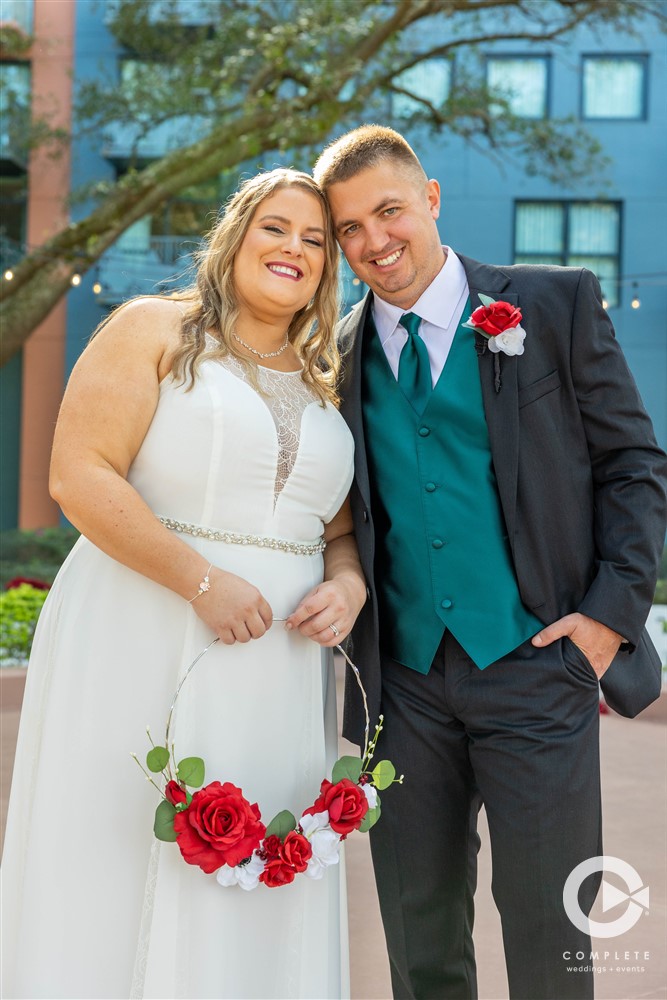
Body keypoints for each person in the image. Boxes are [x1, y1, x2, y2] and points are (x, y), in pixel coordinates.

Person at [312, 125, 667, 1000]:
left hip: (535, 662)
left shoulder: (551, 305)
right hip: (402, 686)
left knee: (551, 930)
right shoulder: (334, 352)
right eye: (348, 227)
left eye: (388, 211)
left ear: (430, 198)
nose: (372, 241)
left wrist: (606, 617)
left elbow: (633, 465)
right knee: (418, 930)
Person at [1, 168, 367, 999]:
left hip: (279, 665)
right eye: (276, 227)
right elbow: (79, 475)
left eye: (315, 240)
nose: (295, 249)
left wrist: (346, 588)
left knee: (260, 850)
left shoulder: (325, 380)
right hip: (143, 624)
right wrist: (200, 582)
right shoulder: (153, 329)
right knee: (118, 839)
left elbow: (340, 535)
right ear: (235, 234)